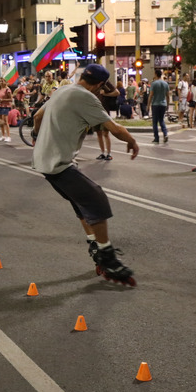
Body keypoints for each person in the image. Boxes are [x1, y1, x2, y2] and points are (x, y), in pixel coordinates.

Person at [31, 63, 140, 285]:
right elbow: (114, 127)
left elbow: (37, 117)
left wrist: (37, 137)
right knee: (96, 198)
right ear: (100, 85)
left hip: (44, 160)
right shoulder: (86, 97)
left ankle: (94, 242)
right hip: (58, 163)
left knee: (81, 201)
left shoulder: (62, 89)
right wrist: (132, 141)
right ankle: (107, 256)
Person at [95, 80, 119, 160]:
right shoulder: (91, 83)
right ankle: (102, 153)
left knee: (105, 133)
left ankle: (109, 153)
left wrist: (105, 94)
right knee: (98, 133)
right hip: (95, 111)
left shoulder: (105, 82)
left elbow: (117, 92)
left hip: (104, 111)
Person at [149, 69, 170, 143]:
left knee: (155, 122)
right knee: (161, 120)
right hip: (163, 104)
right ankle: (165, 134)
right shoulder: (165, 84)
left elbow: (151, 95)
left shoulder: (154, 84)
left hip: (155, 104)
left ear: (155, 74)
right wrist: (167, 104)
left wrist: (148, 105)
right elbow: (168, 96)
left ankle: (156, 138)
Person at [0, 77, 13, 142]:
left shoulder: (7, 89)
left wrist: (3, 100)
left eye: (2, 81)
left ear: (5, 82)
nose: (1, 82)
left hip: (6, 106)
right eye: (0, 81)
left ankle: (8, 136)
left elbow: (11, 99)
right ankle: (3, 136)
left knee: (5, 121)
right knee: (1, 121)